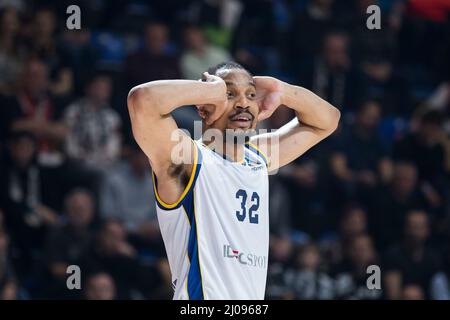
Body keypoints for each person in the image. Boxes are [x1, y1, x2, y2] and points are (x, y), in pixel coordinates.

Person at [127, 61, 340, 299]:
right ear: (203, 109)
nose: (243, 103)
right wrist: (209, 91)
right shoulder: (186, 159)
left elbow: (328, 120)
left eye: (250, 94)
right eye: (229, 94)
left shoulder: (259, 159)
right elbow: (142, 100)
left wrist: (283, 90)